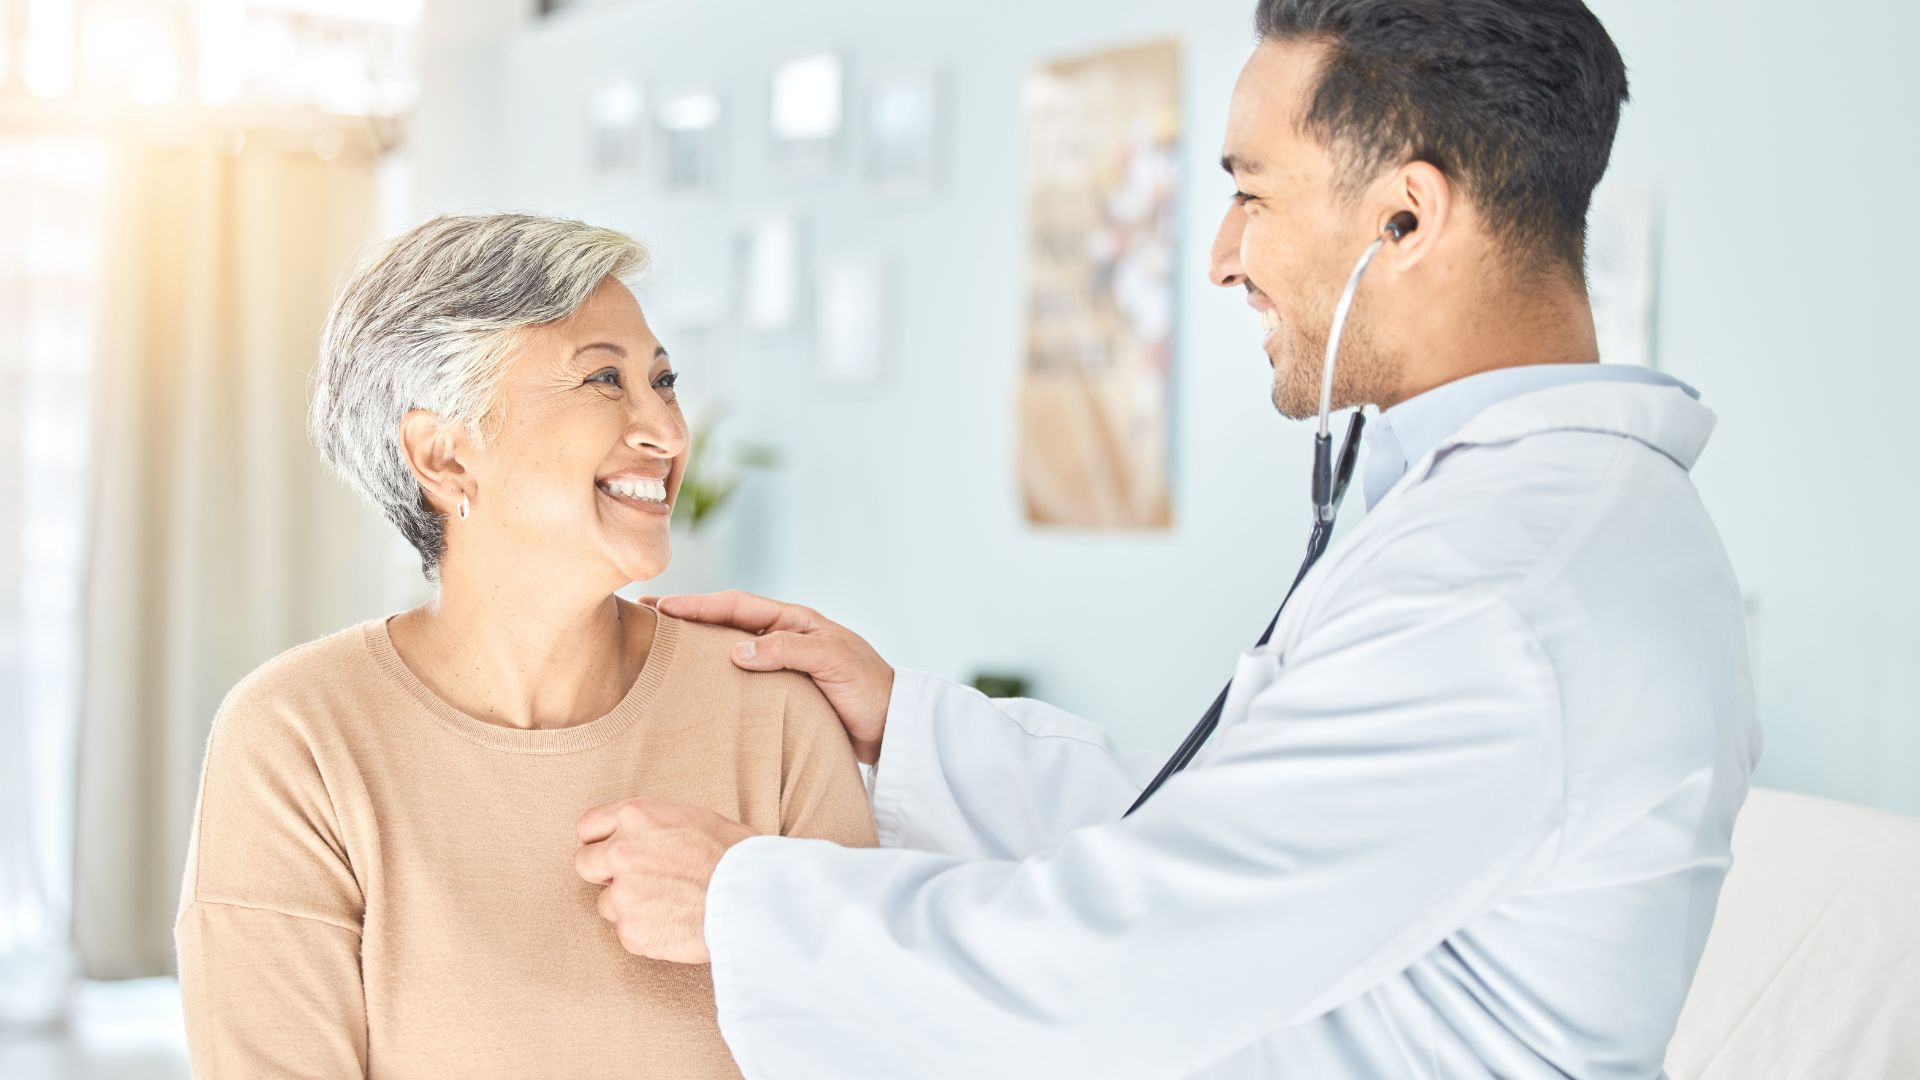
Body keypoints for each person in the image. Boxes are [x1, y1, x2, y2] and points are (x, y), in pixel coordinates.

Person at [572, 1, 1762, 1076]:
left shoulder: (1499, 593)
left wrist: (740, 904)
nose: (1222, 255)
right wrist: (911, 727)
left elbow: (1123, 966)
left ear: (1406, 215)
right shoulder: (1524, 526)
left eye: (1252, 192)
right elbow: (1233, 851)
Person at [174, 213, 876, 1078]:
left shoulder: (770, 708)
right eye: (603, 381)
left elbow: (875, 1041)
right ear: (444, 456)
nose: (665, 430)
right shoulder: (298, 738)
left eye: (664, 380)